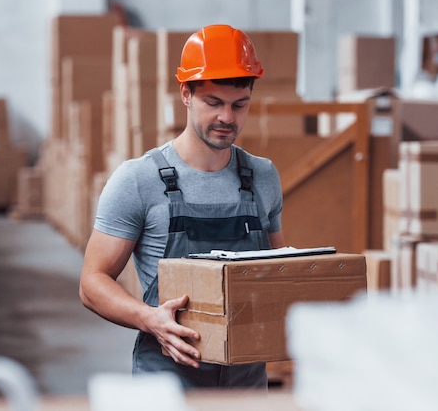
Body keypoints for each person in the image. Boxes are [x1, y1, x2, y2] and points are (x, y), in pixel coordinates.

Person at [79, 24, 285, 389]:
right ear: (186, 94)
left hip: (246, 379)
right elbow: (92, 283)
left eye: (239, 105)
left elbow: (279, 271)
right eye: (213, 103)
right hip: (168, 378)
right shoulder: (139, 180)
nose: (227, 118)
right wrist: (149, 319)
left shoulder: (262, 176)